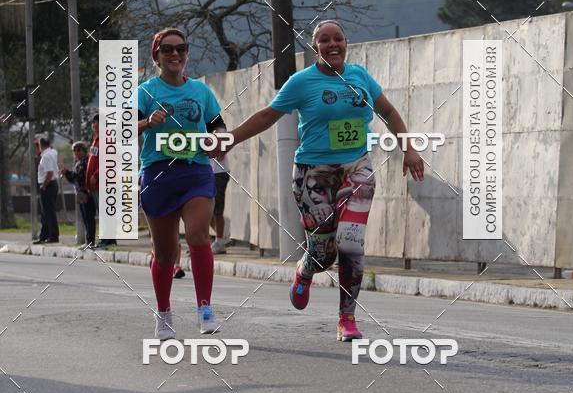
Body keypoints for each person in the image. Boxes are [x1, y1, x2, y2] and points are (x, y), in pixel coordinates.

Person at [228, 20, 425, 341]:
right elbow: (268, 115)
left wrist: (409, 149)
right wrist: (232, 138)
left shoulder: (359, 75)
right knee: (323, 254)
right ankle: (305, 271)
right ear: (314, 46)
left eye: (338, 39)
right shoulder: (301, 82)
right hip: (312, 176)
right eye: (324, 40)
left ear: (346, 43)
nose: (333, 45)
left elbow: (388, 111)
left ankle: (347, 318)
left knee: (350, 242)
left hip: (357, 168)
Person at [138, 27, 228, 340]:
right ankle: (163, 313)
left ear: (187, 54)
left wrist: (217, 137)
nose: (175, 54)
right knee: (165, 254)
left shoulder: (201, 91)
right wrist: (148, 122)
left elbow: (218, 125)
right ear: (156, 55)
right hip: (159, 174)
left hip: (196, 171)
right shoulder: (146, 92)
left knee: (197, 236)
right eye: (167, 49)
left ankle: (205, 308)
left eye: (181, 48)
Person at [85, 113, 117, 250]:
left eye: (96, 122)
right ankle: (105, 239)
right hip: (95, 185)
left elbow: (110, 160)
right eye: (92, 123)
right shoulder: (96, 140)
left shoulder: (107, 138)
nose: (93, 125)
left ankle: (108, 240)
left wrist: (96, 174)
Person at [61, 141, 96, 247]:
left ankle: (90, 241)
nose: (76, 153)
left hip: (87, 193)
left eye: (78, 150)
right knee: (85, 218)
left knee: (89, 218)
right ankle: (88, 241)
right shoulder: (78, 163)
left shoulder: (87, 161)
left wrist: (68, 173)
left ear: (84, 151)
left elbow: (79, 176)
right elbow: (74, 179)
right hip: (80, 194)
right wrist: (67, 173)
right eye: (74, 151)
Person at [34, 136, 60, 244]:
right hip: (52, 184)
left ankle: (53, 235)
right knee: (45, 213)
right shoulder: (52, 152)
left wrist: (44, 185)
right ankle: (44, 235)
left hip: (48, 185)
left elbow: (49, 173)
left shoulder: (46, 156)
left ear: (40, 146)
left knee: (48, 212)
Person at [210, 152, 231, 253]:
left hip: (219, 171)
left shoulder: (220, 135)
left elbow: (229, 139)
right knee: (204, 210)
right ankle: (222, 238)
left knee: (217, 209)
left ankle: (219, 241)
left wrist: (223, 150)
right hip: (205, 170)